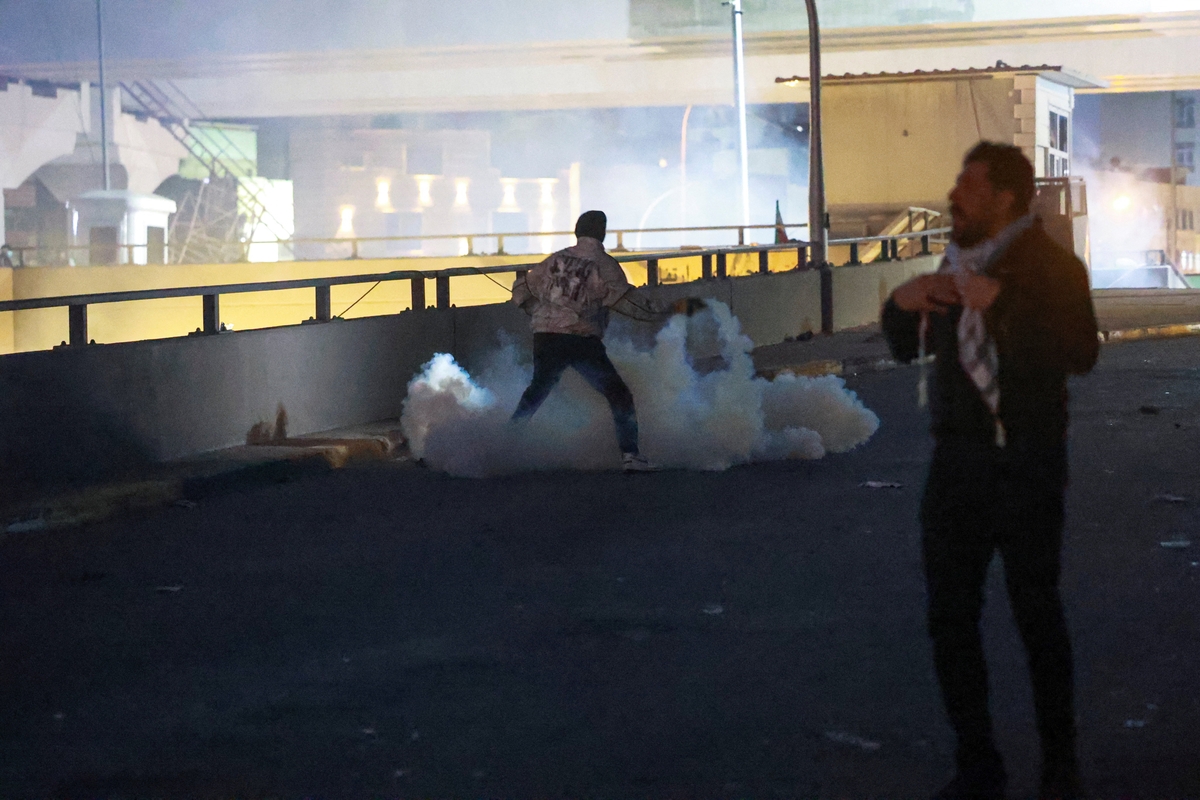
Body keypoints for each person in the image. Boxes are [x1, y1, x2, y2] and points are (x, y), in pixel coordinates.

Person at [882, 142, 1099, 800]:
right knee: (951, 618)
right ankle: (978, 765)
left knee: (1036, 615)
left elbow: (1079, 351)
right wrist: (903, 303)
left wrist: (1001, 302)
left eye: (969, 186)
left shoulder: (1052, 266)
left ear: (1006, 197)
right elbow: (906, 350)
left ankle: (1060, 769)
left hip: (1026, 463)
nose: (955, 196)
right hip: (957, 465)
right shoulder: (955, 265)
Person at [511, 210, 657, 472]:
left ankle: (505, 442)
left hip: (544, 336)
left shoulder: (555, 259)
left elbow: (522, 288)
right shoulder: (605, 265)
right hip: (580, 339)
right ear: (602, 233)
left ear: (577, 231)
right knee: (618, 394)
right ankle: (630, 455)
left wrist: (534, 310)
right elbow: (627, 301)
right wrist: (660, 313)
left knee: (538, 390)